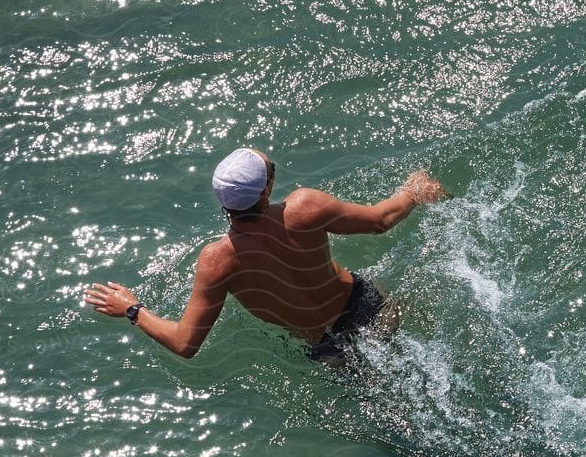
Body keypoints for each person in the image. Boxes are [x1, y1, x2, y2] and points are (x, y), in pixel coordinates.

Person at [83, 147, 448, 366]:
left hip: (328, 347)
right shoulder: (306, 208)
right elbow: (382, 220)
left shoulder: (217, 261)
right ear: (267, 189)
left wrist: (132, 310)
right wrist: (413, 190)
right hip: (372, 307)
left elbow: (185, 343)